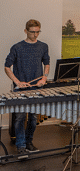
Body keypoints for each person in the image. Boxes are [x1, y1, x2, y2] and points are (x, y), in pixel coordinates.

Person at [4, 19, 50, 154]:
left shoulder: (43, 46)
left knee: (34, 117)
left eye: (37, 32)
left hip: (37, 88)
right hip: (20, 89)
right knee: (20, 117)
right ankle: (20, 145)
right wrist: (17, 82)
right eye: (32, 32)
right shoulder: (17, 47)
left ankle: (29, 141)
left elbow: (47, 63)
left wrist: (44, 77)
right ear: (26, 31)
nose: (35, 35)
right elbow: (7, 66)